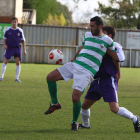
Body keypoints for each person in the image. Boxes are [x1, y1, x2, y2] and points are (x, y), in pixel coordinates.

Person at [44, 16, 119, 131]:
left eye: (92, 26)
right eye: (90, 26)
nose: (90, 28)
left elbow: (115, 57)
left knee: (75, 97)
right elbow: (82, 46)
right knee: (50, 77)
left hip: (87, 71)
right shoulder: (87, 35)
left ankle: (74, 122)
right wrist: (74, 57)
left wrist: (118, 72)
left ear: (99, 26)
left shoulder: (108, 41)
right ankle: (55, 103)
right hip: (75, 64)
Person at [79, 26, 140, 133]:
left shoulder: (114, 45)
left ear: (110, 36)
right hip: (96, 80)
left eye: (104, 33)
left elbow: (119, 58)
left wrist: (105, 49)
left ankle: (135, 119)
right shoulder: (96, 44)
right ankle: (86, 125)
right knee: (84, 105)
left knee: (114, 109)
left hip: (108, 80)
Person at [0, 17, 26, 82]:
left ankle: (17, 78)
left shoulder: (20, 30)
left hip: (17, 48)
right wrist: (5, 45)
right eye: (13, 22)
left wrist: (24, 50)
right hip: (9, 48)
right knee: (5, 62)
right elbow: (4, 38)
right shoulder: (8, 30)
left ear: (17, 22)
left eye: (15, 22)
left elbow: (23, 41)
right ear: (11, 22)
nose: (14, 23)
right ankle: (1, 77)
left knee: (18, 62)